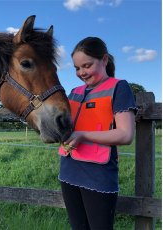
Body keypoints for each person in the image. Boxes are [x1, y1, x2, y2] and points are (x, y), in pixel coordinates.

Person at [58, 37, 137, 230]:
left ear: (104, 60)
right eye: (77, 68)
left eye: (87, 65)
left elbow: (126, 135)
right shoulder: (74, 91)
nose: (81, 73)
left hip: (98, 175)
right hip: (68, 171)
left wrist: (83, 135)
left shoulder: (119, 87)